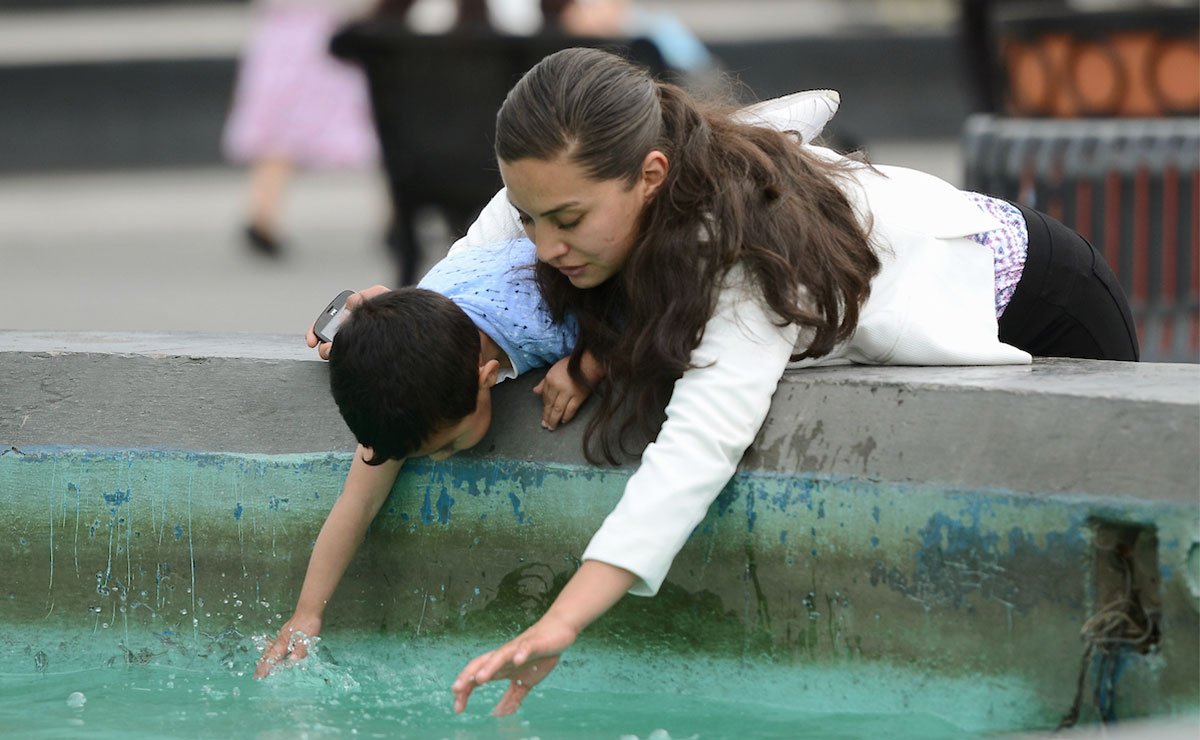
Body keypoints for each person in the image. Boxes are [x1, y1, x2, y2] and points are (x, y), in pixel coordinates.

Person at [447, 47, 1140, 716]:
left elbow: (698, 448)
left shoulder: (744, 253)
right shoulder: (566, 184)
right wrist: (366, 321)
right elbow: (451, 280)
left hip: (1045, 300)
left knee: (1114, 597)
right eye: (529, 216)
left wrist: (561, 622)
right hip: (963, 266)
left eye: (567, 221)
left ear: (651, 175)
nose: (543, 247)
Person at [254, 237, 602, 677]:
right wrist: (306, 614)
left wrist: (587, 364)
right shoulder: (416, 364)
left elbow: (651, 315)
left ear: (487, 378)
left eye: (446, 445)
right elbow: (357, 503)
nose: (439, 459)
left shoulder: (548, 325)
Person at [222, 0, 380, 256]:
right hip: (333, 30)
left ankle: (262, 214)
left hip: (290, 31)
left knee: (280, 127)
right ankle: (395, 222)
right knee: (371, 124)